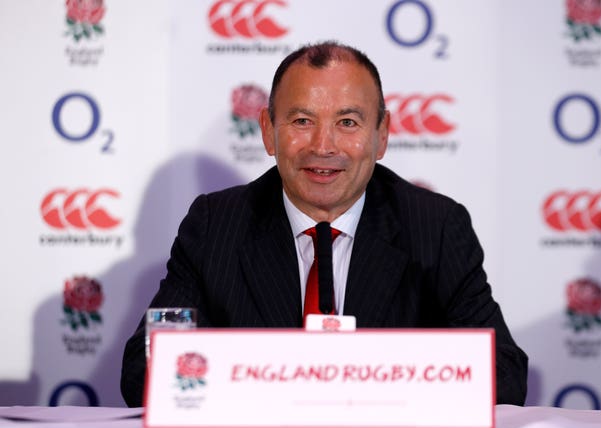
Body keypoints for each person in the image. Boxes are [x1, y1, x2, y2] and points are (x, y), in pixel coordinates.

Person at [121, 41, 528, 407]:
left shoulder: (435, 227)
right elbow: (146, 370)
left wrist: (366, 387)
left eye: (348, 123)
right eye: (301, 121)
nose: (323, 145)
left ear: (381, 135)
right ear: (268, 131)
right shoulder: (216, 225)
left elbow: (504, 374)